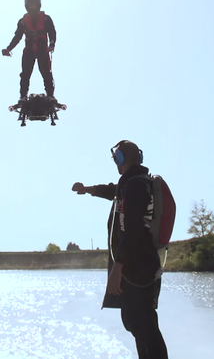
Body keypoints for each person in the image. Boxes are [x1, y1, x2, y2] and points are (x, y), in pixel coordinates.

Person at [72, 140, 168, 359]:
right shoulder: (133, 183)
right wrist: (89, 190)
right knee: (137, 321)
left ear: (120, 159)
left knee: (141, 322)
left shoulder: (135, 185)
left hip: (137, 266)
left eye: (116, 158)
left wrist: (118, 266)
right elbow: (113, 191)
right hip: (139, 264)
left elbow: (133, 228)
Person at [1, 0, 57, 104]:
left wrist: (52, 44)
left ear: (38, 5)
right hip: (29, 50)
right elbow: (17, 37)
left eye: (34, 5)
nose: (32, 7)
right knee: (25, 73)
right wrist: (8, 49)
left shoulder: (46, 19)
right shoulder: (22, 21)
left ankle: (50, 95)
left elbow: (52, 32)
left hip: (42, 49)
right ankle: (23, 96)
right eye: (30, 5)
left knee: (46, 72)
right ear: (27, 6)